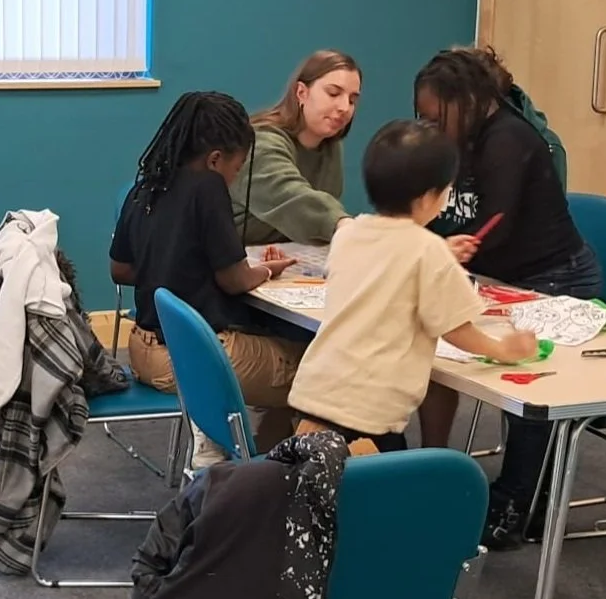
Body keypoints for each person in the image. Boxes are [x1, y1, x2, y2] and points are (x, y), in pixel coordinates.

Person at [412, 46, 603, 546]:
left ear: (468, 102)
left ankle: (518, 503)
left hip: (554, 279)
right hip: (503, 280)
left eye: (437, 118)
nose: (431, 128)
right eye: (423, 119)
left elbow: (490, 229)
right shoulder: (460, 138)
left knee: (528, 390)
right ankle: (448, 472)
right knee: (448, 353)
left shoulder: (508, 140)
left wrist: (427, 254)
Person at [288, 120, 539, 454]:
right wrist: (503, 349)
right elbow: (456, 328)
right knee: (379, 483)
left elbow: (387, 264)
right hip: (368, 411)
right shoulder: (427, 250)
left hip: (315, 392)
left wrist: (441, 254)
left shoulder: (349, 233)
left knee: (317, 475)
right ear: (428, 198)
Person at [110, 91, 304, 461]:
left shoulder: (145, 186)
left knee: (275, 359)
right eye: (237, 168)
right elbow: (234, 279)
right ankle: (253, 461)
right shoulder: (208, 186)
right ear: (215, 160)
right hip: (192, 356)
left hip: (142, 350)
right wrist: (267, 270)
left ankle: (247, 451)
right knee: (318, 368)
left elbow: (119, 269)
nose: (234, 178)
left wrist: (168, 261)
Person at [232, 50, 362, 246]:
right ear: (301, 92)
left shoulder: (331, 147)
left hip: (283, 253)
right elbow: (289, 196)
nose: (344, 107)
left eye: (352, 100)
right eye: (333, 93)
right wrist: (343, 224)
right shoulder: (260, 142)